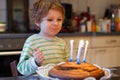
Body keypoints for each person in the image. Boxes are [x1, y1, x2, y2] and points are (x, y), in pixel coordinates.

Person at [17, 0, 69, 76]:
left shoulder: (62, 43)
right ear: (37, 22)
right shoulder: (32, 41)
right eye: (50, 20)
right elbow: (21, 68)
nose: (56, 23)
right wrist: (35, 62)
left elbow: (67, 65)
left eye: (59, 19)